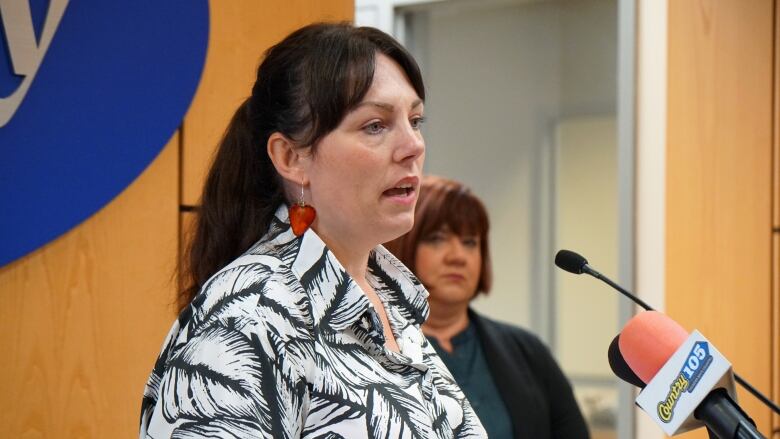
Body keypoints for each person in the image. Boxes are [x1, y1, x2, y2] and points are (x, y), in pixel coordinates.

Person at [139, 23, 487, 438]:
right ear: (291, 157)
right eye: (375, 125)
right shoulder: (246, 317)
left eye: (415, 120)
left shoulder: (390, 301)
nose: (413, 145)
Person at [385, 175, 590, 439]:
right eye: (437, 239)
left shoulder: (528, 352)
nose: (457, 256)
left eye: (470, 242)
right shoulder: (377, 347)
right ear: (403, 245)